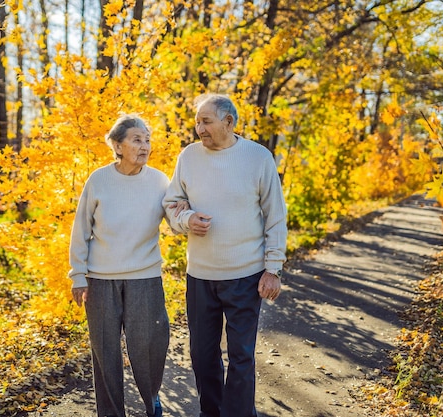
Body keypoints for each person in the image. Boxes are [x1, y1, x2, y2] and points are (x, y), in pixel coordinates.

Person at [162, 94, 288, 417]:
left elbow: (275, 216)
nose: (199, 128)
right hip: (201, 277)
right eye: (197, 121)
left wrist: (272, 268)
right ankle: (212, 412)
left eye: (206, 121)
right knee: (202, 356)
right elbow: (172, 203)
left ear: (229, 122)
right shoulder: (188, 157)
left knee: (241, 356)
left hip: (246, 277)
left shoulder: (259, 158)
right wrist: (186, 220)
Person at [68, 114, 188, 417]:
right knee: (105, 354)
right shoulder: (99, 179)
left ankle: (151, 401)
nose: (145, 145)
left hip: (145, 278)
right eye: (137, 139)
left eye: (147, 139)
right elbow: (80, 229)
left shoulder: (160, 180)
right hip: (100, 280)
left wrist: (187, 218)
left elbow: (175, 220)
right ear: (118, 146)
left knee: (150, 346)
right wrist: (78, 275)